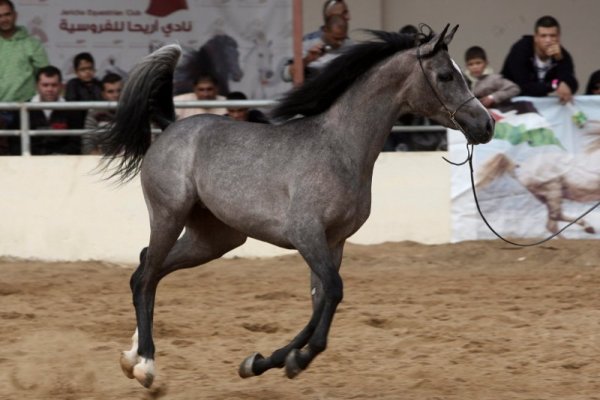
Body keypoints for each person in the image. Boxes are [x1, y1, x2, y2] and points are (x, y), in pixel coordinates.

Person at [0, 0, 49, 154]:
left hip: (23, 109)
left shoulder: (31, 43)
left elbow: (45, 75)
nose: (4, 19)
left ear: (15, 15)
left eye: (7, 14)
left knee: (20, 156)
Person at [501, 15, 578, 104]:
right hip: (511, 103)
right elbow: (524, 87)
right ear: (536, 38)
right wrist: (555, 84)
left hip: (540, 105)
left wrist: (560, 60)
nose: (548, 40)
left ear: (559, 37)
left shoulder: (562, 54)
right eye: (543, 36)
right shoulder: (521, 49)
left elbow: (572, 84)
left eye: (552, 36)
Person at [282, 14, 351, 82]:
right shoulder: (307, 44)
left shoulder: (351, 47)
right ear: (325, 30)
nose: (340, 43)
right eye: (336, 38)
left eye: (343, 38)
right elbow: (286, 75)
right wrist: (308, 59)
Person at [29, 66, 80, 155]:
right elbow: (16, 143)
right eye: (45, 85)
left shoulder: (71, 109)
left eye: (54, 85)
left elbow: (75, 143)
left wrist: (59, 156)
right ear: (37, 86)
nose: (50, 89)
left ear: (61, 86)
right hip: (29, 163)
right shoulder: (24, 109)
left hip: (64, 163)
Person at [84, 73, 123, 154]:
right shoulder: (95, 112)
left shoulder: (133, 111)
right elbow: (88, 143)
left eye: (119, 90)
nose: (116, 95)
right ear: (103, 94)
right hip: (102, 160)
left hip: (128, 160)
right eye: (110, 92)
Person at [65, 52, 103, 128]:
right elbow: (72, 106)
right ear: (76, 72)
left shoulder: (99, 84)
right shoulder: (72, 84)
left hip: (96, 125)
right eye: (83, 69)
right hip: (77, 126)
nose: (87, 72)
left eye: (90, 68)